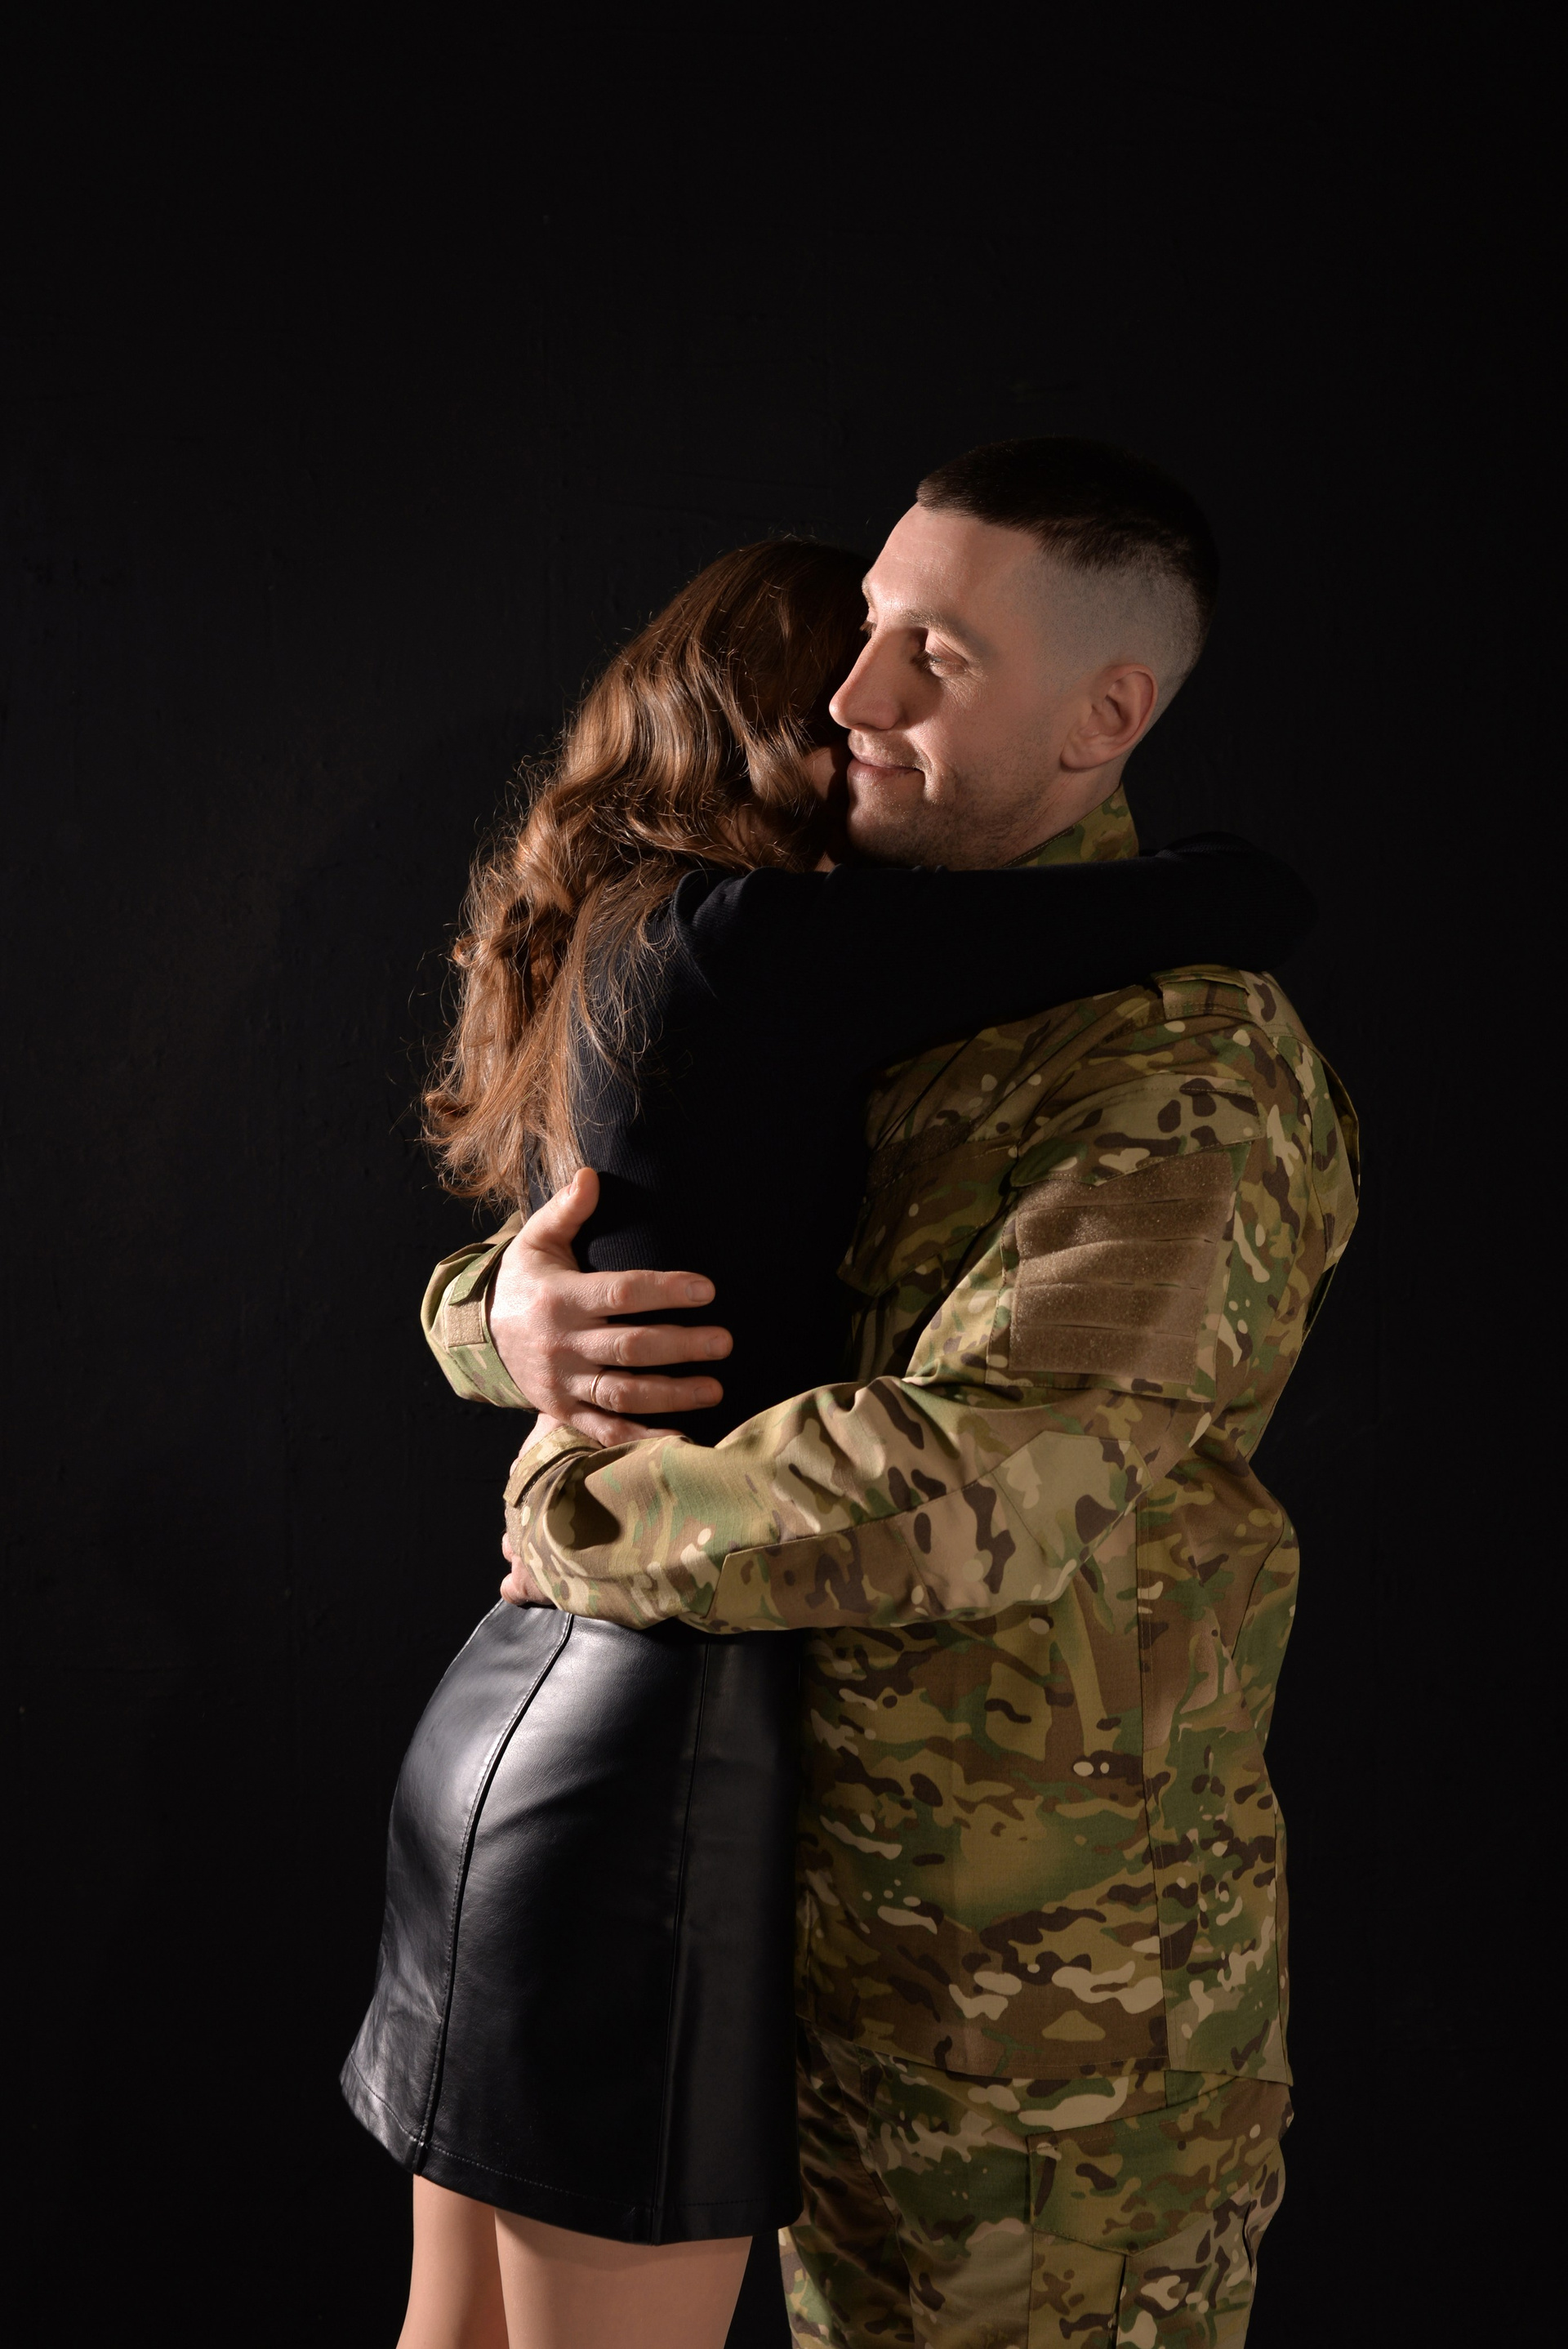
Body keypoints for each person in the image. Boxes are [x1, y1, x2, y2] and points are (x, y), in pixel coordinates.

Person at [345, 497, 1315, 2349]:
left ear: (1104, 714)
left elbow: (1001, 1477)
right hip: (785, 1889)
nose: (861, 698)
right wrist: (508, 1319)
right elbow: (608, 1253)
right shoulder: (823, 958)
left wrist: (582, 1511)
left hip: (1037, 2014)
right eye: (853, 643)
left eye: (927, 657)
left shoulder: (1168, 1051)